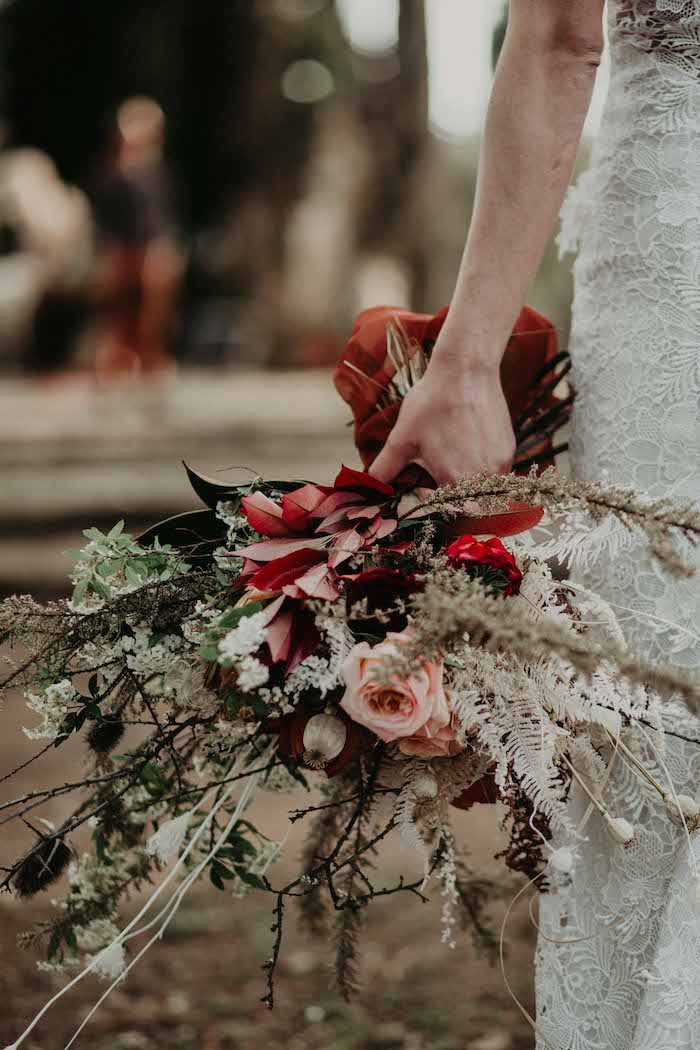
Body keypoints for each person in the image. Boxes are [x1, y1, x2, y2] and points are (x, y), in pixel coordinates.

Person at [370, 3, 700, 1049]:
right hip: (668, 260)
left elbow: (561, 38)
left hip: (668, 242)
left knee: (651, 664)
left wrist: (467, 361)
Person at [91, 97, 182, 389]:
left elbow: (162, 214)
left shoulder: (156, 170)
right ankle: (118, 362)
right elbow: (105, 215)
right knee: (119, 312)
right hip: (122, 248)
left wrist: (163, 248)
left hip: (153, 247)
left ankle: (151, 362)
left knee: (153, 313)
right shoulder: (113, 172)